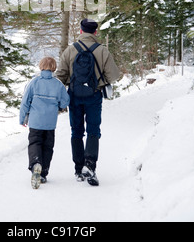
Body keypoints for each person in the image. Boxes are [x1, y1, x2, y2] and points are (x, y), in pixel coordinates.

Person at [56, 19, 120, 186]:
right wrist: (100, 80)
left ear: (80, 31)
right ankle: (90, 165)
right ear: (95, 33)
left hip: (74, 96)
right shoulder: (102, 50)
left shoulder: (70, 50)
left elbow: (60, 75)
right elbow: (113, 75)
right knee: (93, 130)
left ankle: (78, 169)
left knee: (76, 132)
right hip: (94, 95)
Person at [20, 56, 70, 189]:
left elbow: (25, 102)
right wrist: (59, 105)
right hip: (50, 123)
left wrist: (22, 118)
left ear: (40, 66)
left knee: (35, 142)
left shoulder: (34, 82)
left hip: (36, 122)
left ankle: (36, 163)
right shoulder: (58, 84)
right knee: (48, 146)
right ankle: (43, 173)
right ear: (54, 68)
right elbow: (65, 101)